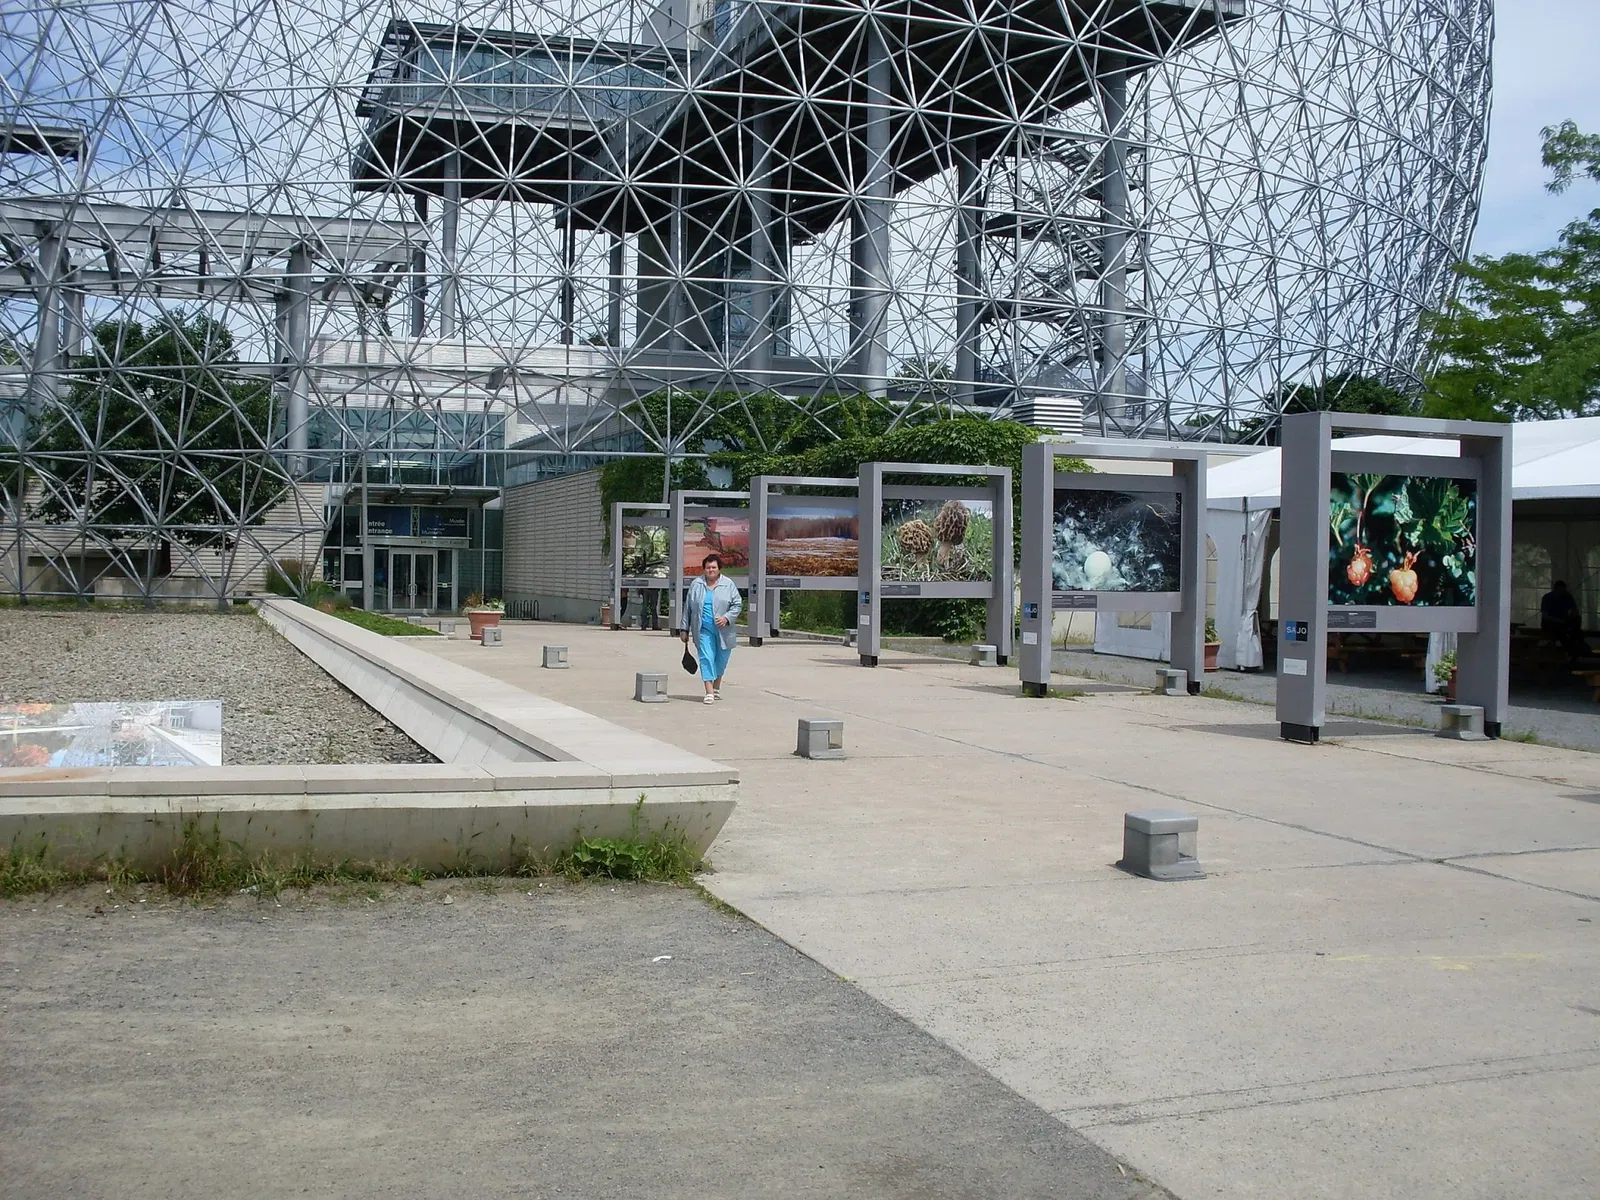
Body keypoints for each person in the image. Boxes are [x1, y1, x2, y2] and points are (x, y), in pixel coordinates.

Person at [681, 554, 743, 704]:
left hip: (724, 631)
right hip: (703, 630)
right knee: (706, 657)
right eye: (708, 567)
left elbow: (737, 604)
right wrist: (684, 629)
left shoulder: (728, 584)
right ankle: (709, 691)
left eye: (713, 567)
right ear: (704, 569)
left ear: (719, 569)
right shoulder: (696, 584)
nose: (711, 570)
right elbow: (688, 608)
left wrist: (726, 618)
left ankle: (716, 687)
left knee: (721, 660)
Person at [1540, 579, 1588, 659]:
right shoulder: (1547, 598)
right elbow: (1545, 616)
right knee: (1564, 634)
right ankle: (1571, 650)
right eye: (1560, 590)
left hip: (1563, 623)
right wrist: (1561, 621)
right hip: (1551, 624)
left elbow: (1574, 611)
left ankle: (1576, 648)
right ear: (1556, 589)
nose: (1562, 592)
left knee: (1575, 630)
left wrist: (1572, 619)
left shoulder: (1567, 597)